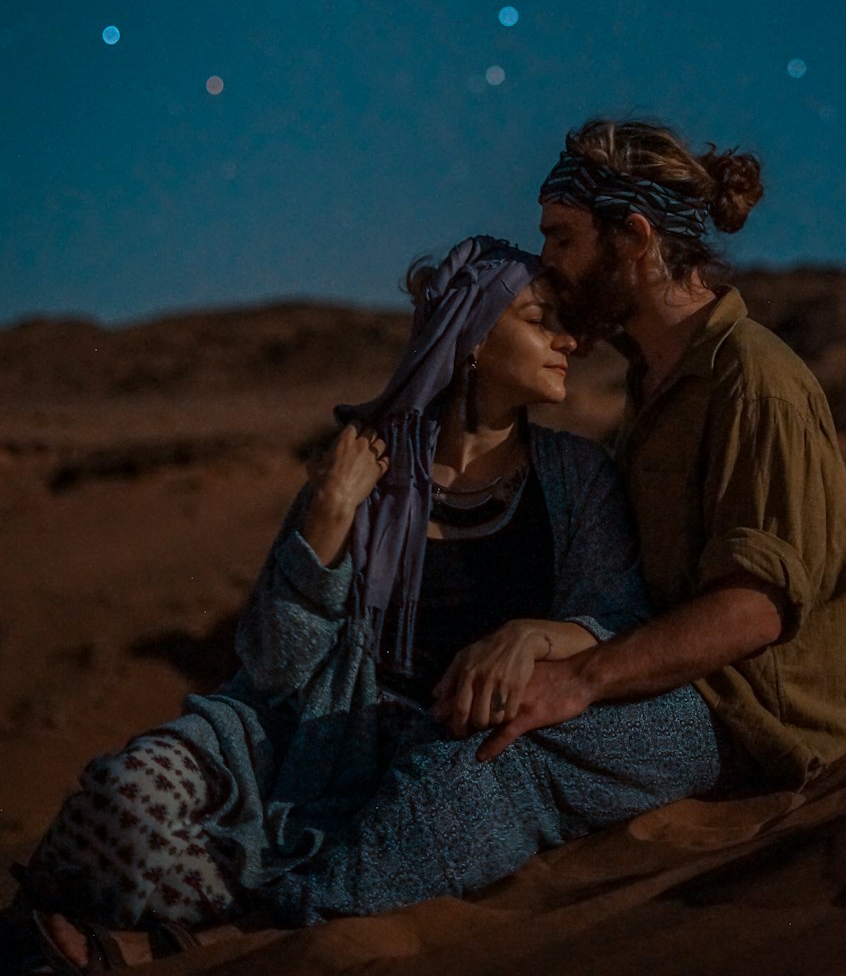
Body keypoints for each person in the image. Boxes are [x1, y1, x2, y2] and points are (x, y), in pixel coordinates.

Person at [21, 236, 733, 971]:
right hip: (317, 741)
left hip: (452, 752)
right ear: (470, 339)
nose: (569, 340)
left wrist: (536, 636)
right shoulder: (369, 467)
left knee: (447, 799)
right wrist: (327, 518)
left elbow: (615, 617)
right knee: (125, 795)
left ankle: (230, 932)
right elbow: (273, 666)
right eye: (538, 320)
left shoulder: (576, 477)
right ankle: (44, 918)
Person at [477, 121, 846, 794]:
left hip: (755, 717)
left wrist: (581, 679)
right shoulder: (653, 379)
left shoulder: (753, 380)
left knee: (490, 761)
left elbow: (755, 608)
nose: (547, 262)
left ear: (634, 239)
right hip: (679, 681)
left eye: (564, 237)